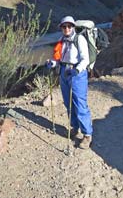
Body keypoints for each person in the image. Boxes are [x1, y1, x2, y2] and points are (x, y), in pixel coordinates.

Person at [46, 16, 93, 149]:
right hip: (63, 73)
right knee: (68, 103)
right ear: (61, 28)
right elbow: (60, 58)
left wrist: (77, 70)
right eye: (64, 26)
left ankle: (87, 135)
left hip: (77, 75)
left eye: (69, 26)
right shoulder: (62, 40)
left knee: (80, 104)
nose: (66, 28)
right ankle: (75, 127)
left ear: (73, 27)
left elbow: (85, 59)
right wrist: (52, 63)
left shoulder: (80, 39)